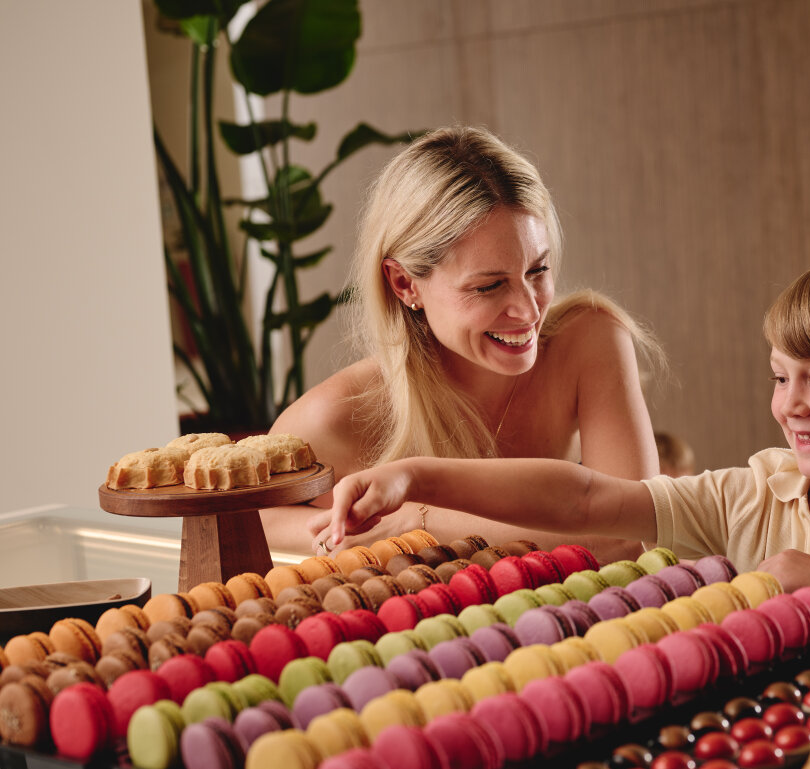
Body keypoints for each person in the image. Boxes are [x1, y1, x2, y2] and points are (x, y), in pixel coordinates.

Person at [309, 248, 810, 629]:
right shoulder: (750, 491)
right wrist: (419, 478)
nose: (789, 406)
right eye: (779, 377)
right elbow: (589, 495)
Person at [263, 126, 661, 559]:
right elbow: (250, 525)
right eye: (489, 286)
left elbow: (632, 534)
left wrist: (414, 521)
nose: (529, 311)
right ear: (403, 284)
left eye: (537, 271)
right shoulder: (338, 415)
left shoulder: (589, 339)